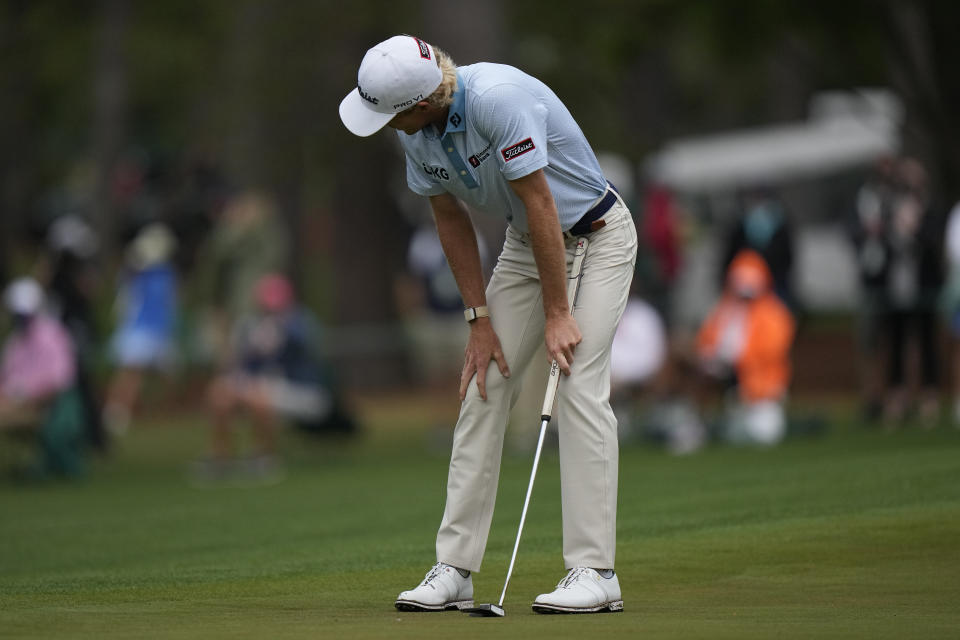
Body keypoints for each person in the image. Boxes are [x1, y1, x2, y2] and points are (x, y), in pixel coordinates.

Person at [340, 35, 637, 613]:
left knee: (577, 385)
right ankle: (455, 568)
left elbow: (544, 204)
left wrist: (558, 315)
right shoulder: (417, 134)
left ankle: (595, 571)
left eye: (388, 114)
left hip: (597, 237)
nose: (384, 125)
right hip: (530, 247)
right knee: (484, 384)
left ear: (419, 102)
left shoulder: (498, 100)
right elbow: (448, 218)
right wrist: (478, 318)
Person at [196, 273, 342, 483]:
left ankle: (263, 456)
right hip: (257, 386)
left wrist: (281, 332)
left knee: (259, 394)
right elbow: (236, 365)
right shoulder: (248, 325)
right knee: (220, 391)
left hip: (301, 390)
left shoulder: (300, 322)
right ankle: (221, 457)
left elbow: (307, 357)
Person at [696, 250, 795, 445]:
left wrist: (736, 360)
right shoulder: (724, 309)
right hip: (721, 374)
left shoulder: (774, 314)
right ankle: (701, 422)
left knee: (764, 433)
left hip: (758, 386)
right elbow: (705, 340)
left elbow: (771, 351)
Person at [0, 277, 85, 478]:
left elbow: (59, 379)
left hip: (54, 403)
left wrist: (27, 397)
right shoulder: (15, 341)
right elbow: (6, 377)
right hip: (22, 402)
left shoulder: (52, 334)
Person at [102, 223, 179, 435]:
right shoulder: (135, 273)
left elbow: (169, 304)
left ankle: (160, 414)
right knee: (130, 374)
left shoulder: (165, 273)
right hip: (138, 331)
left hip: (158, 332)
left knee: (163, 376)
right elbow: (126, 301)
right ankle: (116, 414)